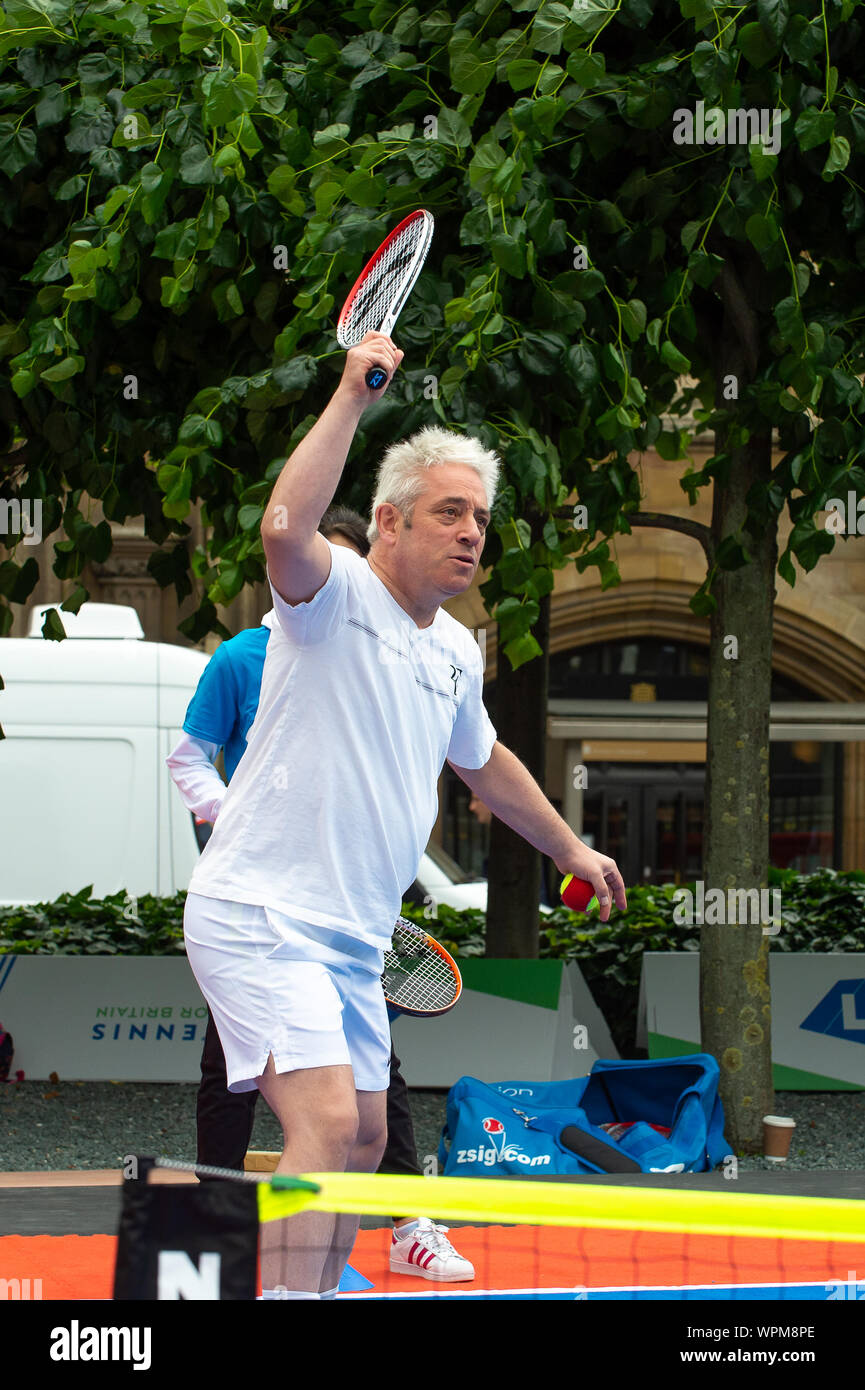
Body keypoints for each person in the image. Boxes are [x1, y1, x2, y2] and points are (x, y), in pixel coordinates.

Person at [181, 331, 626, 1299]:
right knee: (328, 1125)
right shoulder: (330, 595)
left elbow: (487, 764)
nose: (471, 532)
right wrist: (351, 392)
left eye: (480, 517)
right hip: (261, 913)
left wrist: (569, 844)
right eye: (448, 512)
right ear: (387, 522)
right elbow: (280, 528)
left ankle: (312, 1281)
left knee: (371, 1134)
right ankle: (290, 1299)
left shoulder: (456, 653)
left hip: (354, 936)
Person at [167, 506, 473, 1284]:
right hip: (257, 904)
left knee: (363, 1115)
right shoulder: (243, 657)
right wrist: (231, 809)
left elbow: (443, 761)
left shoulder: (391, 653)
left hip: (348, 918)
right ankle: (224, 1223)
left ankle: (394, 1225)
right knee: (254, 1090)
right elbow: (189, 759)